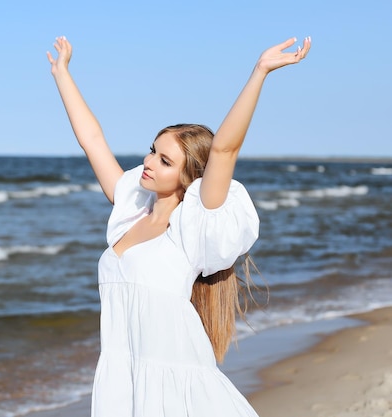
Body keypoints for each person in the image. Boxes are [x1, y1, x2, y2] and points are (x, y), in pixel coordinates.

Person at [47, 35, 311, 417]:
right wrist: (62, 73)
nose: (149, 161)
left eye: (165, 160)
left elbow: (224, 149)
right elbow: (92, 140)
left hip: (176, 387)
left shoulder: (192, 226)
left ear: (189, 177)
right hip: (125, 380)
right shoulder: (131, 208)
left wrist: (260, 71)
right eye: (152, 150)